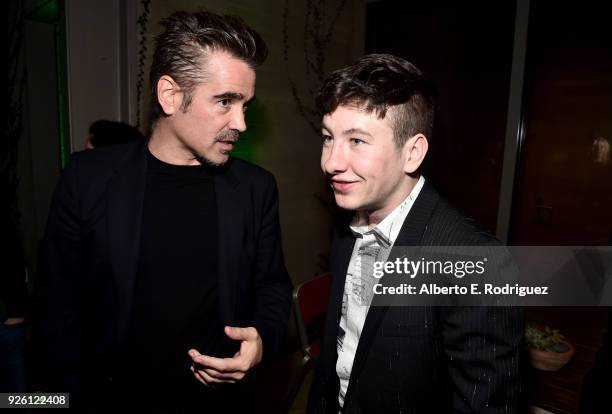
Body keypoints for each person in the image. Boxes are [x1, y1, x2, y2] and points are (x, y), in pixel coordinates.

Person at [32, 10, 292, 412]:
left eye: (245, 105)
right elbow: (55, 306)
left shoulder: (256, 189)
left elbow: (272, 286)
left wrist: (261, 343)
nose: (240, 123)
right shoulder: (89, 178)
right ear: (170, 95)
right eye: (225, 101)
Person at [307, 54, 523, 413]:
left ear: (412, 153)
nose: (331, 162)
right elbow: (339, 353)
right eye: (329, 138)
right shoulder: (349, 222)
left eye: (357, 141)